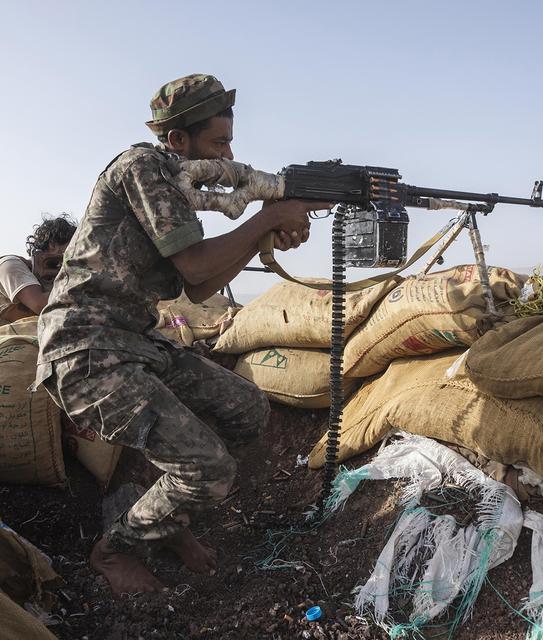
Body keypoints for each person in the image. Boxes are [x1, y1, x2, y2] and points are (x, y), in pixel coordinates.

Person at [35, 73, 329, 596]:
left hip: (132, 342)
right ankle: (115, 549)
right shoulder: (142, 167)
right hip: (85, 349)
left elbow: (202, 286)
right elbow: (196, 268)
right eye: (219, 143)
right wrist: (267, 220)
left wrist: (268, 227)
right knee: (209, 469)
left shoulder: (172, 181)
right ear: (178, 140)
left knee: (247, 410)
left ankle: (167, 519)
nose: (229, 154)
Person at [0, 215, 76, 324]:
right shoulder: (10, 264)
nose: (77, 253)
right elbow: (40, 305)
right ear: (52, 245)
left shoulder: (54, 277)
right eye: (73, 246)